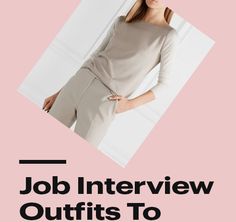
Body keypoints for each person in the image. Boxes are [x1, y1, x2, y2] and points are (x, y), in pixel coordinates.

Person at [43, 0, 178, 147]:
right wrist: (59, 92)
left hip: (105, 100)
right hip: (78, 83)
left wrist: (129, 105)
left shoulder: (168, 36)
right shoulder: (122, 21)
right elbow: (94, 56)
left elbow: (164, 84)